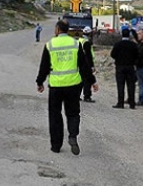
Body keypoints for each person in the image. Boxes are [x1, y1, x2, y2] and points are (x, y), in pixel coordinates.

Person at [36, 20, 99, 155]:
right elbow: (84, 66)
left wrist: (40, 82)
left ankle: (56, 146)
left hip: (56, 86)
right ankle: (73, 136)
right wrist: (92, 81)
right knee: (73, 113)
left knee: (55, 115)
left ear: (58, 29)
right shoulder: (75, 44)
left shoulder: (50, 45)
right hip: (73, 86)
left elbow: (44, 66)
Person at [110, 28, 139, 109]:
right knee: (131, 85)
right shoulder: (133, 45)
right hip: (130, 67)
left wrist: (119, 59)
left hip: (120, 67)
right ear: (129, 35)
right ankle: (132, 103)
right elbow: (137, 55)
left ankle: (120, 103)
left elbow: (112, 54)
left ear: (122, 34)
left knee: (120, 85)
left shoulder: (118, 44)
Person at [78, 26, 96, 102]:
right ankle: (87, 96)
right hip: (86, 64)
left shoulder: (79, 40)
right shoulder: (86, 43)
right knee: (87, 80)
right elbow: (89, 56)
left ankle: (77, 95)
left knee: (80, 80)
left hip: (78, 63)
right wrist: (91, 66)